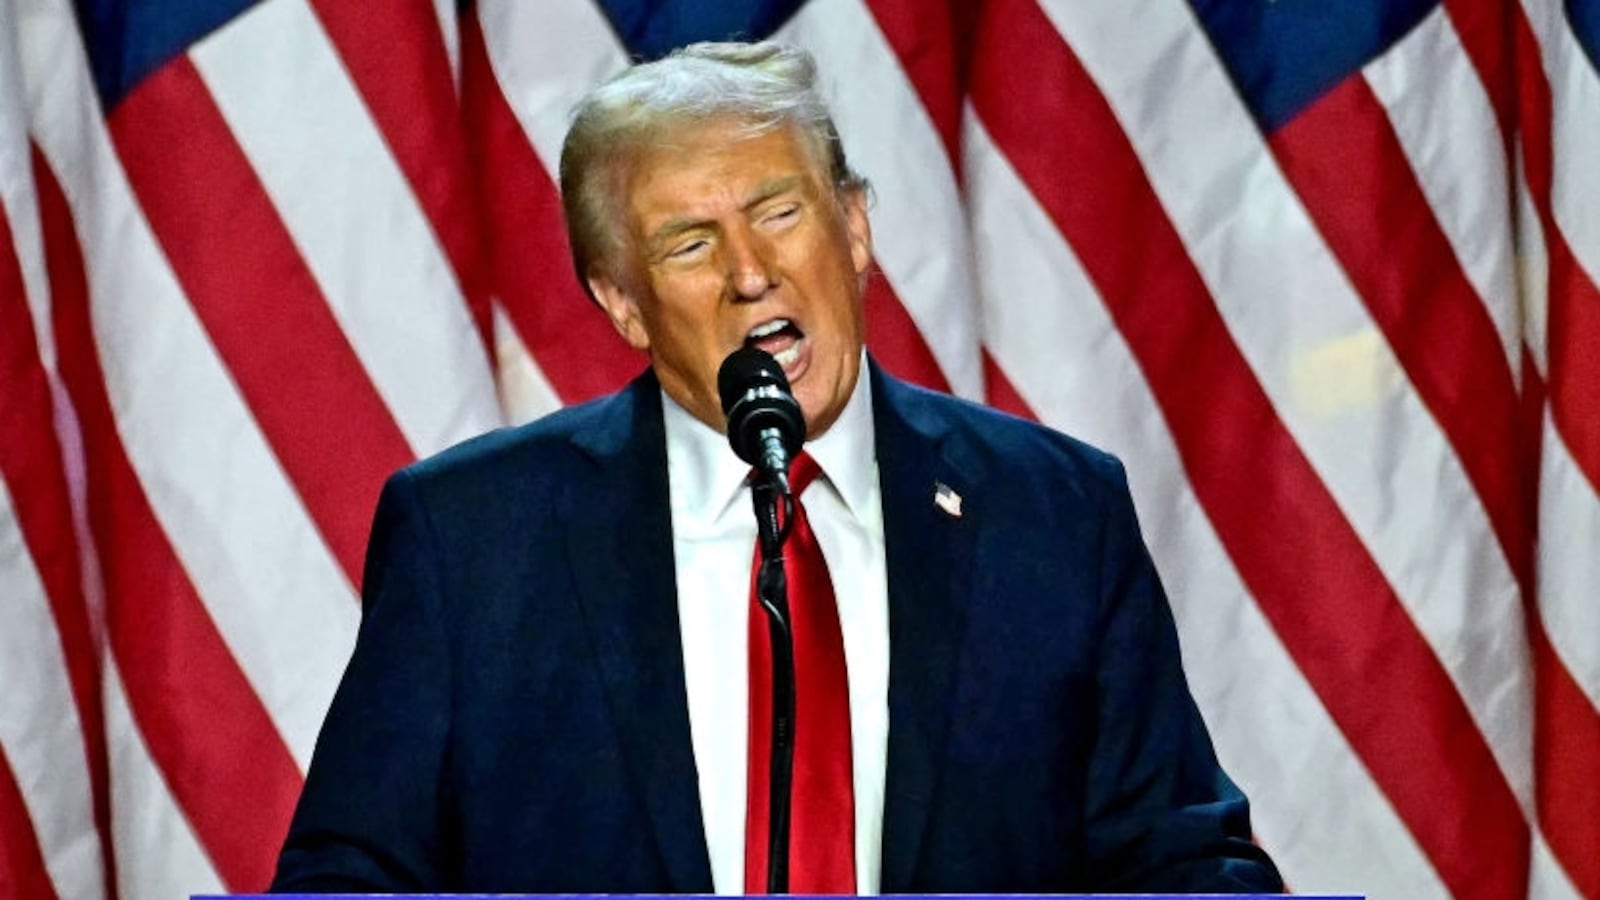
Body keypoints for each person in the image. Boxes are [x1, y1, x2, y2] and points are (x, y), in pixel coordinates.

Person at [271, 41, 1282, 895]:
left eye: (779, 211)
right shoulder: (472, 538)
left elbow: (1182, 858)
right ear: (622, 301)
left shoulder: (1052, 511)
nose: (750, 271)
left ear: (853, 228)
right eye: (688, 243)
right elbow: (346, 878)